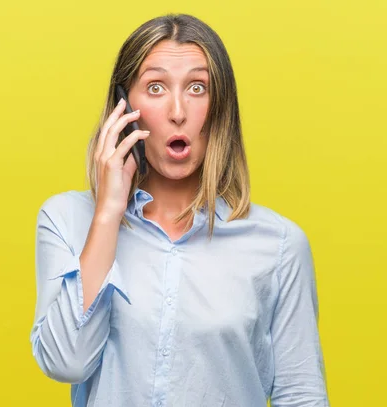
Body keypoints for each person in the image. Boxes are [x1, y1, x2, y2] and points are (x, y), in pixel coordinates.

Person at [29, 13, 330, 407]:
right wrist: (108, 214)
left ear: (220, 107)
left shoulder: (279, 245)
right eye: (155, 87)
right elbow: (65, 363)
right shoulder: (67, 220)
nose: (177, 111)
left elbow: (301, 394)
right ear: (123, 108)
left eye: (197, 88)